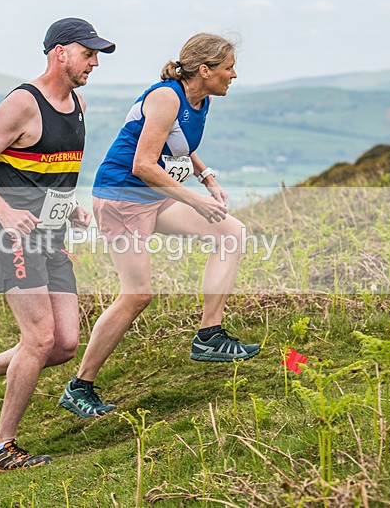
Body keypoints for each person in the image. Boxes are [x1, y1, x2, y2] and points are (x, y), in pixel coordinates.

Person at [0, 18, 115, 472]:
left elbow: (54, 171)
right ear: (60, 52)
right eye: (88, 53)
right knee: (38, 339)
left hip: (50, 237)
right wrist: (5, 213)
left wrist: (70, 208)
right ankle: (1, 448)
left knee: (64, 345)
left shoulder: (78, 103)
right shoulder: (23, 103)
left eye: (96, 55)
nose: (94, 62)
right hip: (10, 236)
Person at [57, 33, 260, 419]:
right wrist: (196, 198)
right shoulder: (167, 96)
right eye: (228, 67)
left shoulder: (200, 99)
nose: (234, 75)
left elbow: (179, 140)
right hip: (121, 197)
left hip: (154, 194)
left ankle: (209, 337)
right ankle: (80, 386)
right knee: (137, 295)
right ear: (205, 70)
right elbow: (142, 165)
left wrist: (207, 176)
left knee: (231, 233)